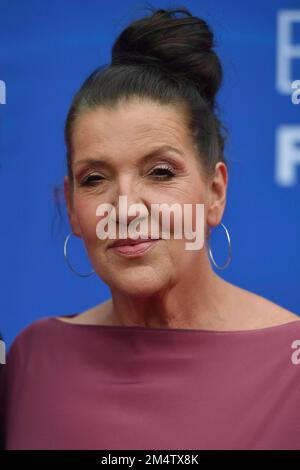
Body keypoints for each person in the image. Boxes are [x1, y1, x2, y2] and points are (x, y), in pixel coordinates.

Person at [2, 6, 300, 450]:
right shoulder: (30, 361)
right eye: (95, 179)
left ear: (215, 192)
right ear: (71, 207)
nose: (124, 207)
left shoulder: (290, 367)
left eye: (160, 172)